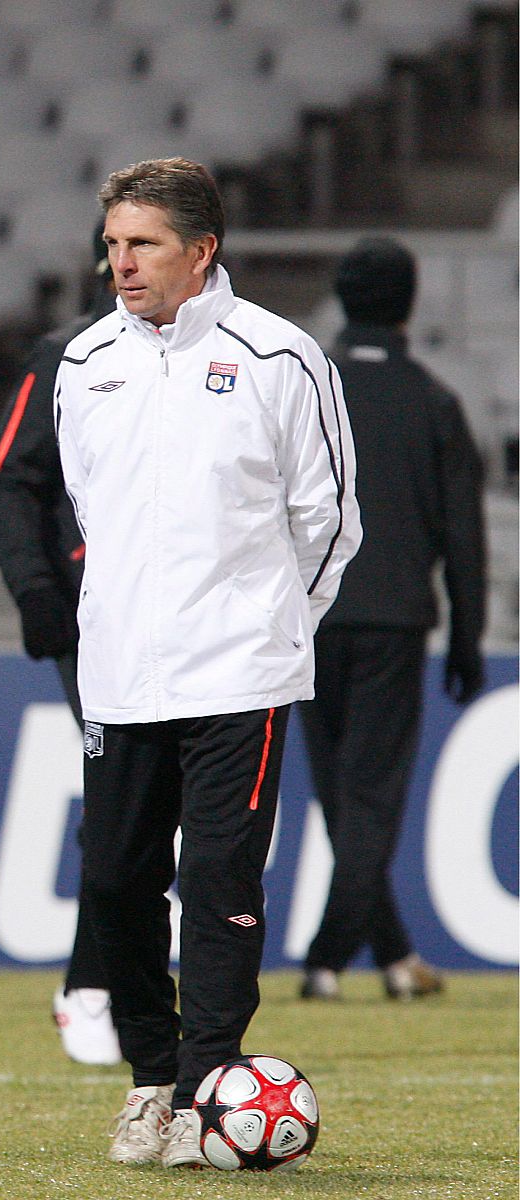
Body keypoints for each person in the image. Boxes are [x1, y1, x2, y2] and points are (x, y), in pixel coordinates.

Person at [53, 159, 359, 1168]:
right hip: (120, 681)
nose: (120, 265)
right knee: (112, 884)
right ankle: (149, 1080)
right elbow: (89, 511)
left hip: (239, 675)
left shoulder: (282, 358)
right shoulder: (84, 363)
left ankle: (202, 1093)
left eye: (139, 245)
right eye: (111, 245)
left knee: (220, 880)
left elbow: (326, 520)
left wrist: (273, 626)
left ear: (201, 250)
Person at [298, 236, 487, 1004]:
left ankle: (397, 956)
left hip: (306, 616)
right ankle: (327, 958)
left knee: (343, 799)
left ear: (342, 299)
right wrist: (467, 637)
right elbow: (462, 535)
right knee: (369, 796)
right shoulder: (433, 400)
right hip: (394, 622)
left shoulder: (302, 388)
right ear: (409, 301)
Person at [0, 222, 119, 1067]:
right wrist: (37, 589)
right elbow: (7, 478)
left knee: (174, 805)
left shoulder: (229, 360)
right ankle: (90, 984)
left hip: (193, 618)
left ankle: (126, 976)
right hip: (94, 616)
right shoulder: (67, 357)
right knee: (124, 794)